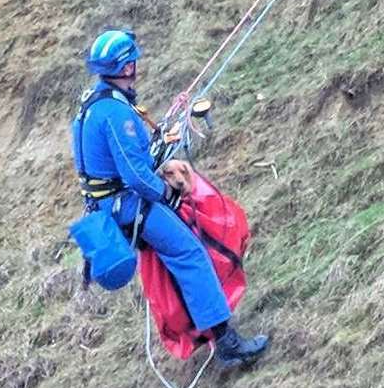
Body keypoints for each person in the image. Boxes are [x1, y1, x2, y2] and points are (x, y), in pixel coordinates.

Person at [71, 29, 268, 367]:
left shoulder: (95, 101)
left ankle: (208, 329)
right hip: (130, 204)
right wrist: (168, 195)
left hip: (113, 203)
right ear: (127, 66)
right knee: (190, 252)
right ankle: (226, 342)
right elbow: (135, 176)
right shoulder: (115, 113)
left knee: (183, 254)